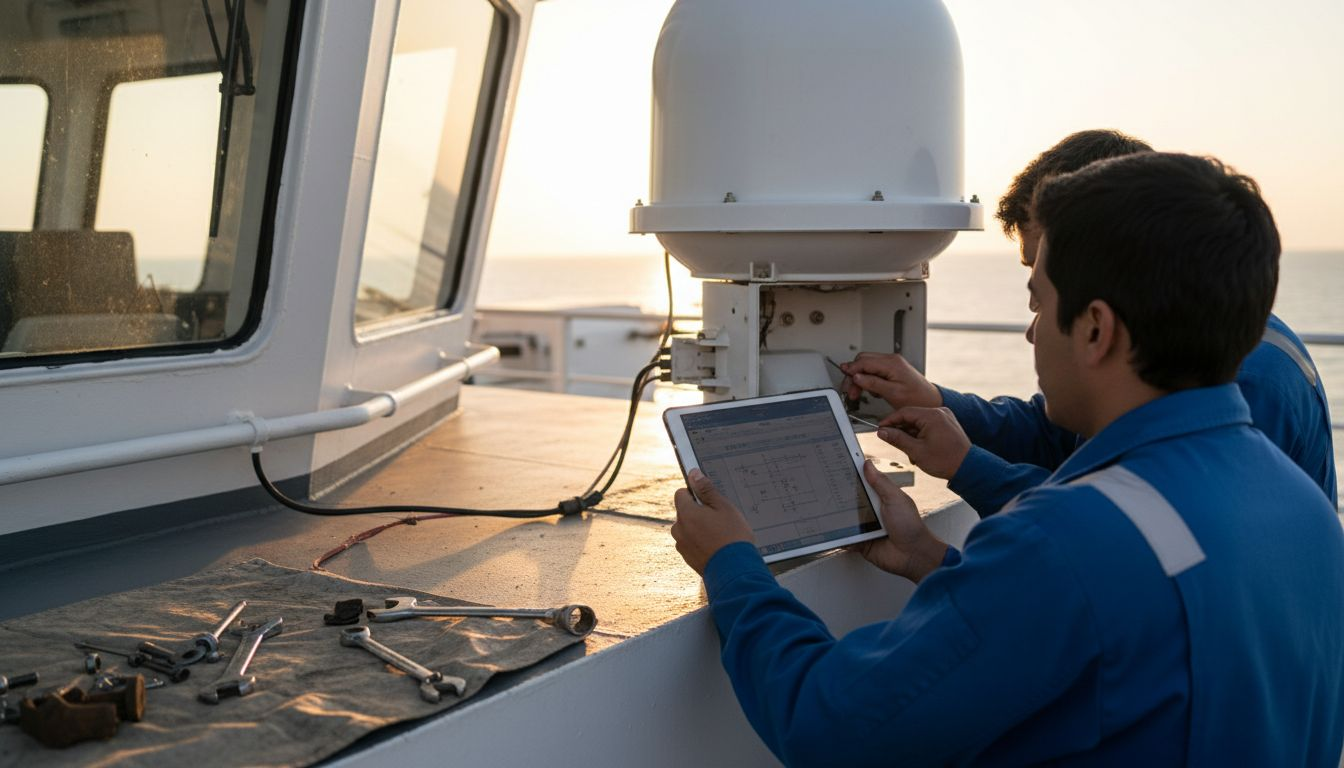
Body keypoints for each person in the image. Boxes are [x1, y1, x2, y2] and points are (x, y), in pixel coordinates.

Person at [670, 152, 1344, 765]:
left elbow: (830, 727)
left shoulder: (1066, 542)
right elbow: (1126, 637)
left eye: (1039, 303)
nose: (1029, 330)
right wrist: (925, 557)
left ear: (1095, 329)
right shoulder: (1299, 504)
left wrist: (735, 567)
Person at [841, 130, 1337, 515]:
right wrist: (936, 400)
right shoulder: (1184, 338)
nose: (1035, 324)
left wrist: (968, 469)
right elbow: (1058, 436)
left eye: (1045, 280)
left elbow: (1137, 529)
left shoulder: (1243, 381)